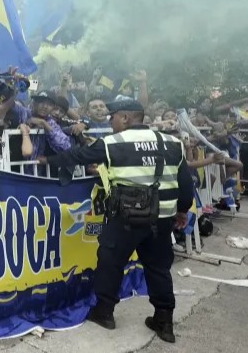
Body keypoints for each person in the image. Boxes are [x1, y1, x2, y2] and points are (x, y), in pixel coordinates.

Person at [42, 100, 194, 344]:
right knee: (158, 268)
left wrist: (47, 161)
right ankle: (164, 321)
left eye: (113, 117)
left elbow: (78, 155)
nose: (111, 122)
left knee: (110, 262)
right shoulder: (172, 143)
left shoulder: (113, 143)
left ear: (124, 118)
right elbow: (186, 185)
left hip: (126, 218)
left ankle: (104, 313)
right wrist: (182, 210)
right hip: (162, 218)